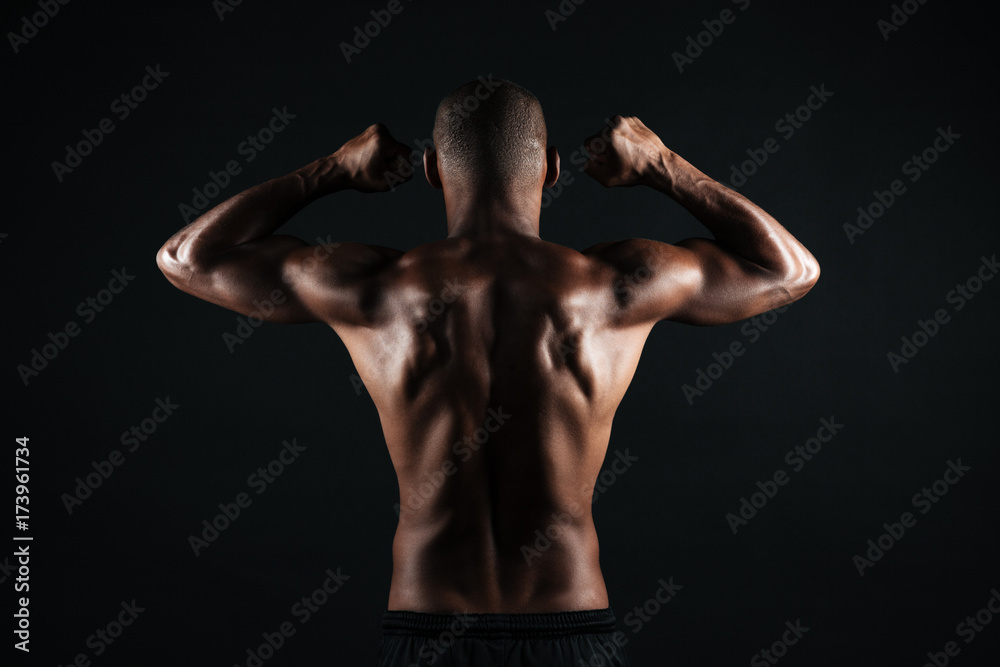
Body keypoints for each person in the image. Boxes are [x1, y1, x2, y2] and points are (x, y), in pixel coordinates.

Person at [156, 79, 820, 666]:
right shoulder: (615, 287)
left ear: (431, 169)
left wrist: (331, 169)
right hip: (573, 626)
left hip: (426, 628)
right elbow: (790, 271)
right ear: (552, 168)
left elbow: (187, 258)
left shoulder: (376, 289)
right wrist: (661, 166)